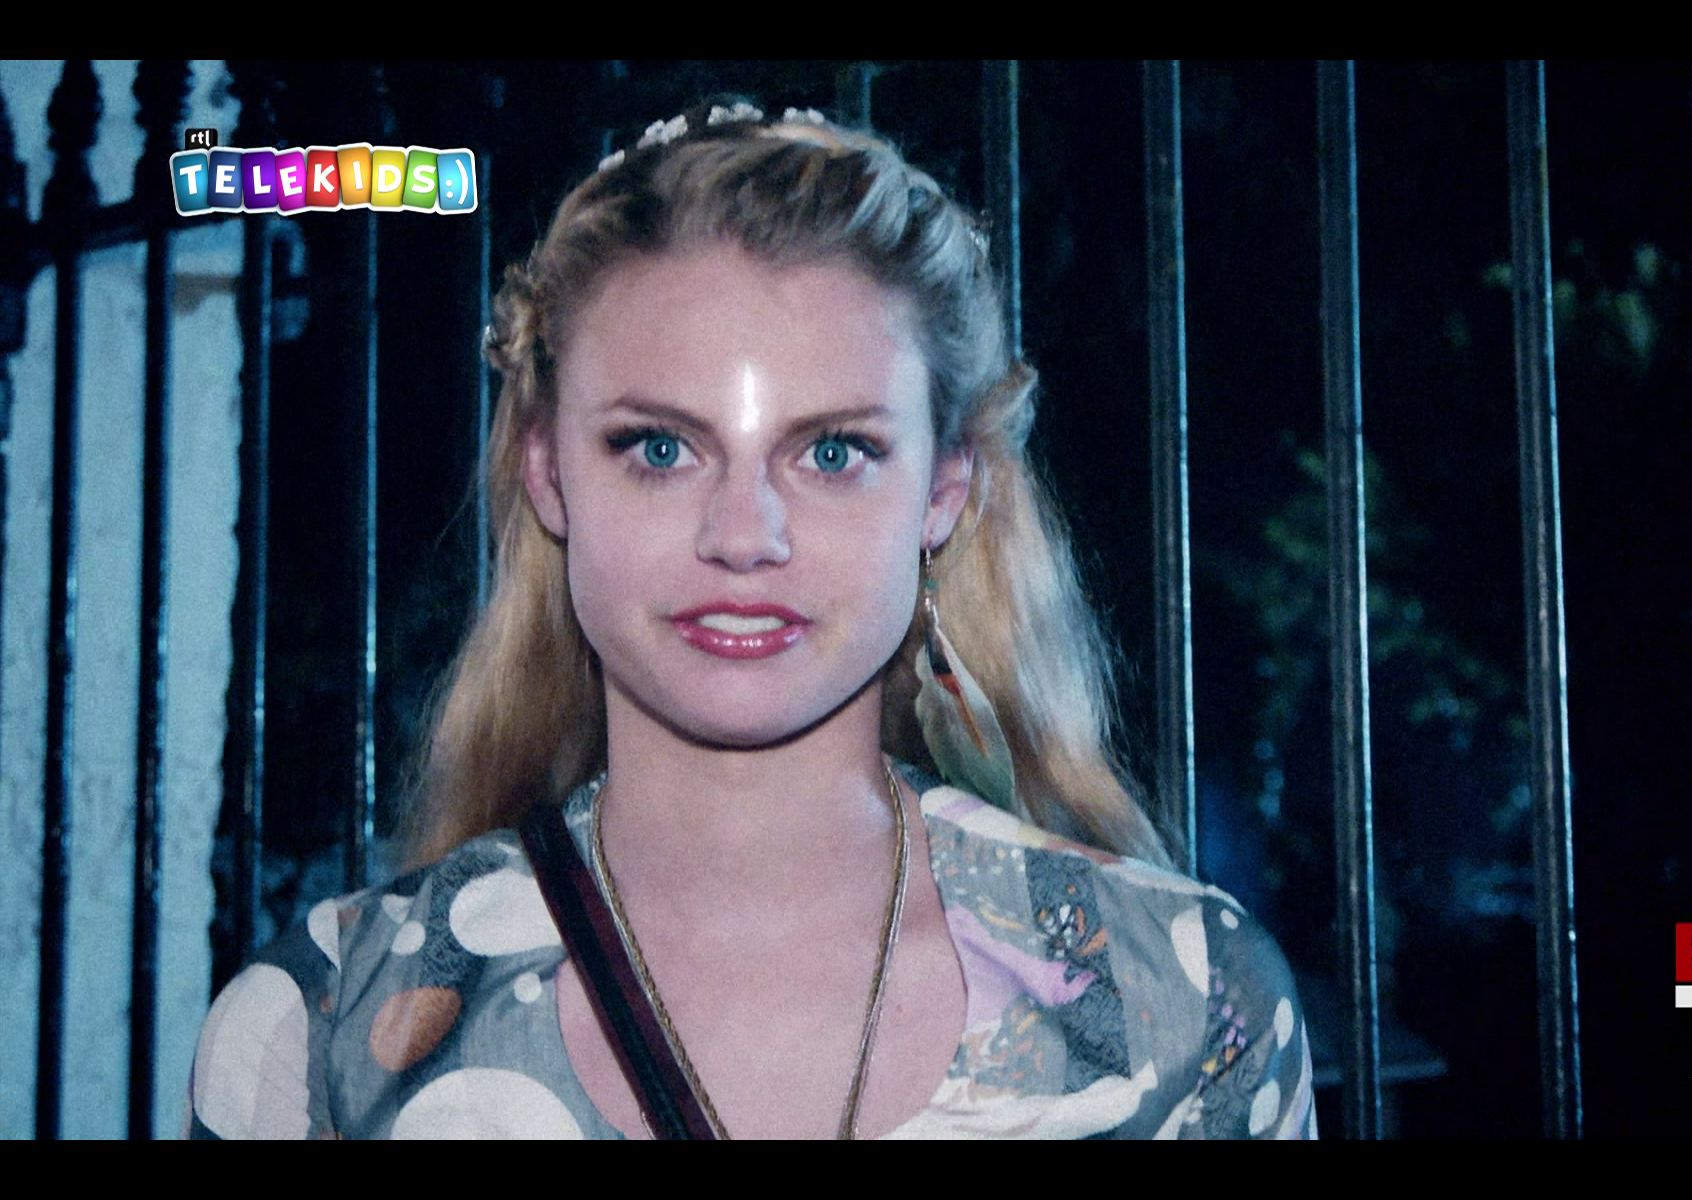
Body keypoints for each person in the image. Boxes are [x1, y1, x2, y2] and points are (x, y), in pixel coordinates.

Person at [188, 99, 1317, 1140]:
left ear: (944, 490)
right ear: (547, 472)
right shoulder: (318, 1031)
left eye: (833, 452)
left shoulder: (1190, 1007)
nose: (743, 535)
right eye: (659, 447)